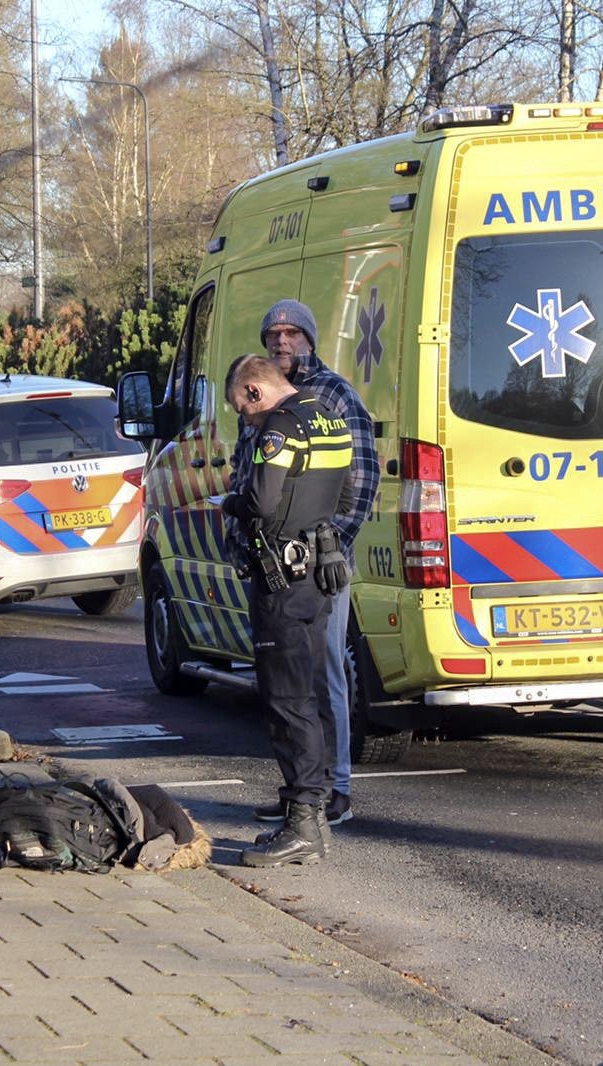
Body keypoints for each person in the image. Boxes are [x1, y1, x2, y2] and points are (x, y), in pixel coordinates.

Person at [237, 299, 381, 828]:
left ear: (310, 339)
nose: (282, 341)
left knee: (323, 674)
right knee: (285, 683)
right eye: (273, 334)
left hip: (320, 567)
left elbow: (362, 483)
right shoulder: (264, 396)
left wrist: (326, 545)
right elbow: (247, 476)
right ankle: (301, 790)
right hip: (272, 564)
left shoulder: (336, 396)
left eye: (292, 332)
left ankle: (335, 788)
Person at [221, 356, 353, 867]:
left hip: (283, 577)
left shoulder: (281, 426)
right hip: (320, 572)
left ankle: (302, 824)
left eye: (244, 410)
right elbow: (345, 495)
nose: (248, 421)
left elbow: (261, 501)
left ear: (255, 391)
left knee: (286, 700)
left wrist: (231, 503)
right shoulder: (329, 416)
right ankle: (312, 816)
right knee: (312, 692)